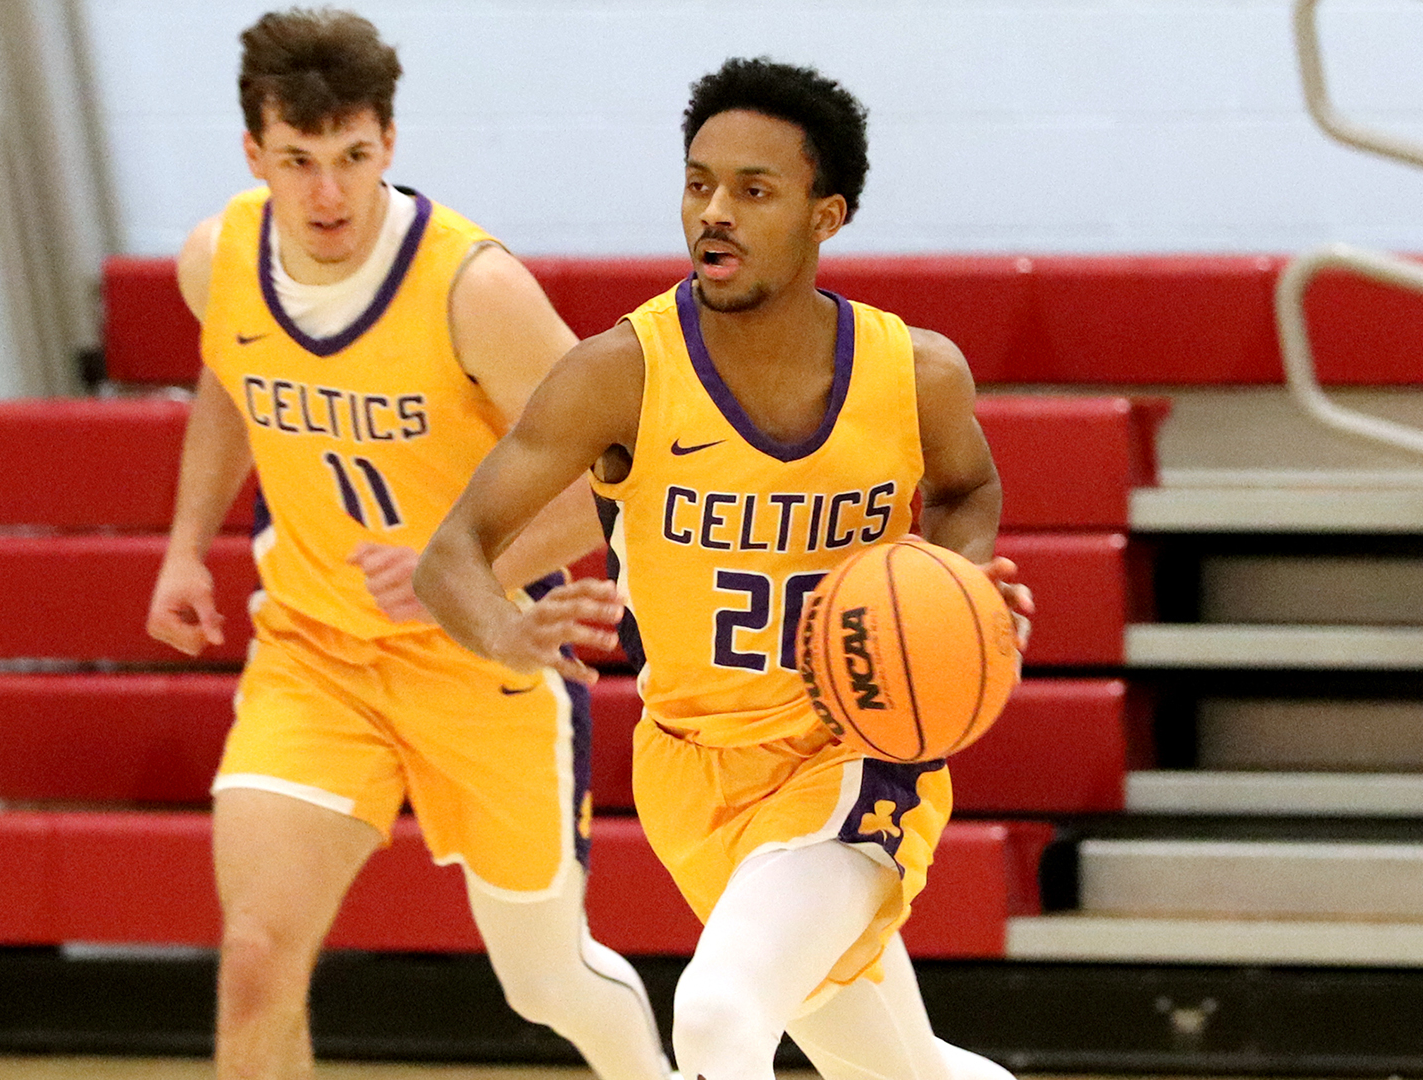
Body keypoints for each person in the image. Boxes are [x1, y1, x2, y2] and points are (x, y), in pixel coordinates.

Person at [415, 56, 1035, 1080]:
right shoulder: (620, 372)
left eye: (755, 190)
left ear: (826, 214)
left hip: (855, 749)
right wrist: (505, 633)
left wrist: (955, 580)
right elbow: (452, 557)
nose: (716, 212)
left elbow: (968, 490)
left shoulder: (915, 372)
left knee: (714, 1015)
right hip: (692, 767)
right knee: (896, 1068)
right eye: (700, 183)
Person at [142, 10, 671, 1080]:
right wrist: (186, 544)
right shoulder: (220, 261)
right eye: (299, 162)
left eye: (353, 158)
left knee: (544, 980)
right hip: (315, 657)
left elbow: (629, 468)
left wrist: (458, 573)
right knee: (253, 957)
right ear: (255, 155)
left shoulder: (472, 288)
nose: (328, 195)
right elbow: (230, 382)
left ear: (390, 142)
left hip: (485, 663)